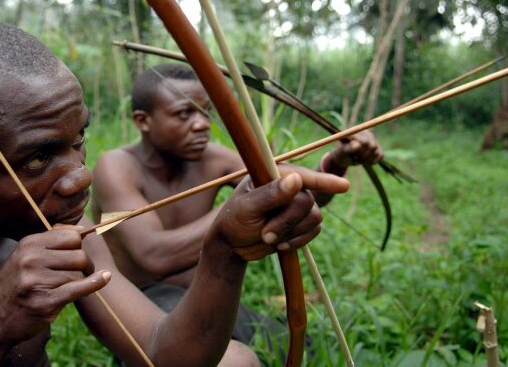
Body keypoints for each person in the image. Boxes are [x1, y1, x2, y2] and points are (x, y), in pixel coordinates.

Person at [0, 19, 351, 366]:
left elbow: (163, 353)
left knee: (235, 362)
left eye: (78, 142)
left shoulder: (57, 220)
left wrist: (223, 251)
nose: (79, 177)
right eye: (37, 157)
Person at [91, 63, 384, 359]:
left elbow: (292, 192)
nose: (202, 124)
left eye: (205, 111)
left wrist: (338, 160)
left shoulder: (212, 159)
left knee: (301, 348)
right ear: (143, 121)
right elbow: (154, 255)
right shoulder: (116, 167)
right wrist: (232, 215)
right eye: (184, 113)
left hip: (205, 294)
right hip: (145, 303)